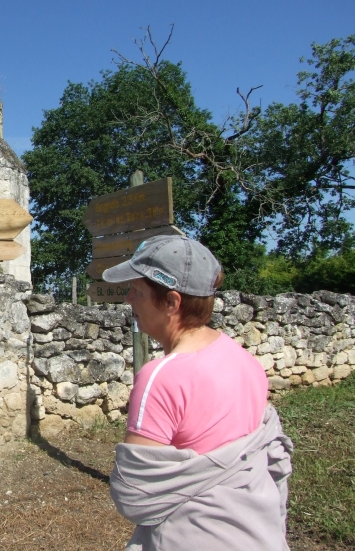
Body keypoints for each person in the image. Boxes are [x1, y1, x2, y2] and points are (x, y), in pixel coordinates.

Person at [103, 235, 293, 551]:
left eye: (137, 290)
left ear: (171, 302)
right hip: (259, 536)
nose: (128, 299)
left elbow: (135, 494)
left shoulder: (160, 378)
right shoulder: (245, 361)